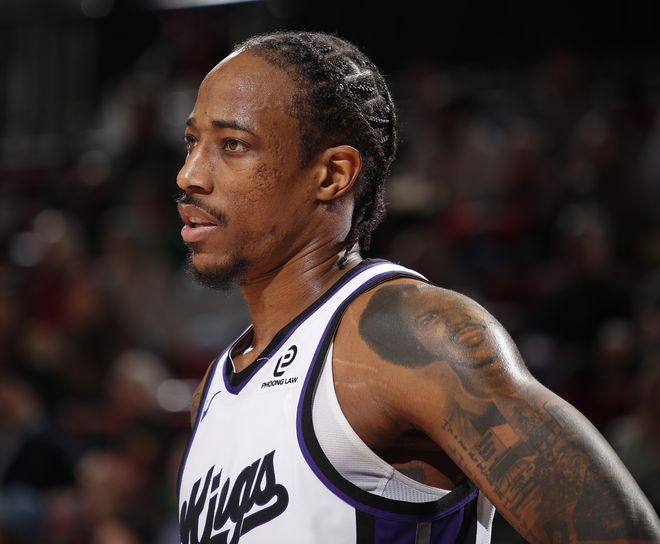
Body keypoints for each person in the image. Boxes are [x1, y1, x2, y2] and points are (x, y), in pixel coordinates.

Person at [174, 30, 660, 544]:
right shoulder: (215, 388)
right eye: (191, 142)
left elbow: (624, 534)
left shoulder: (405, 334)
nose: (189, 175)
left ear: (333, 174)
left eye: (232, 145)